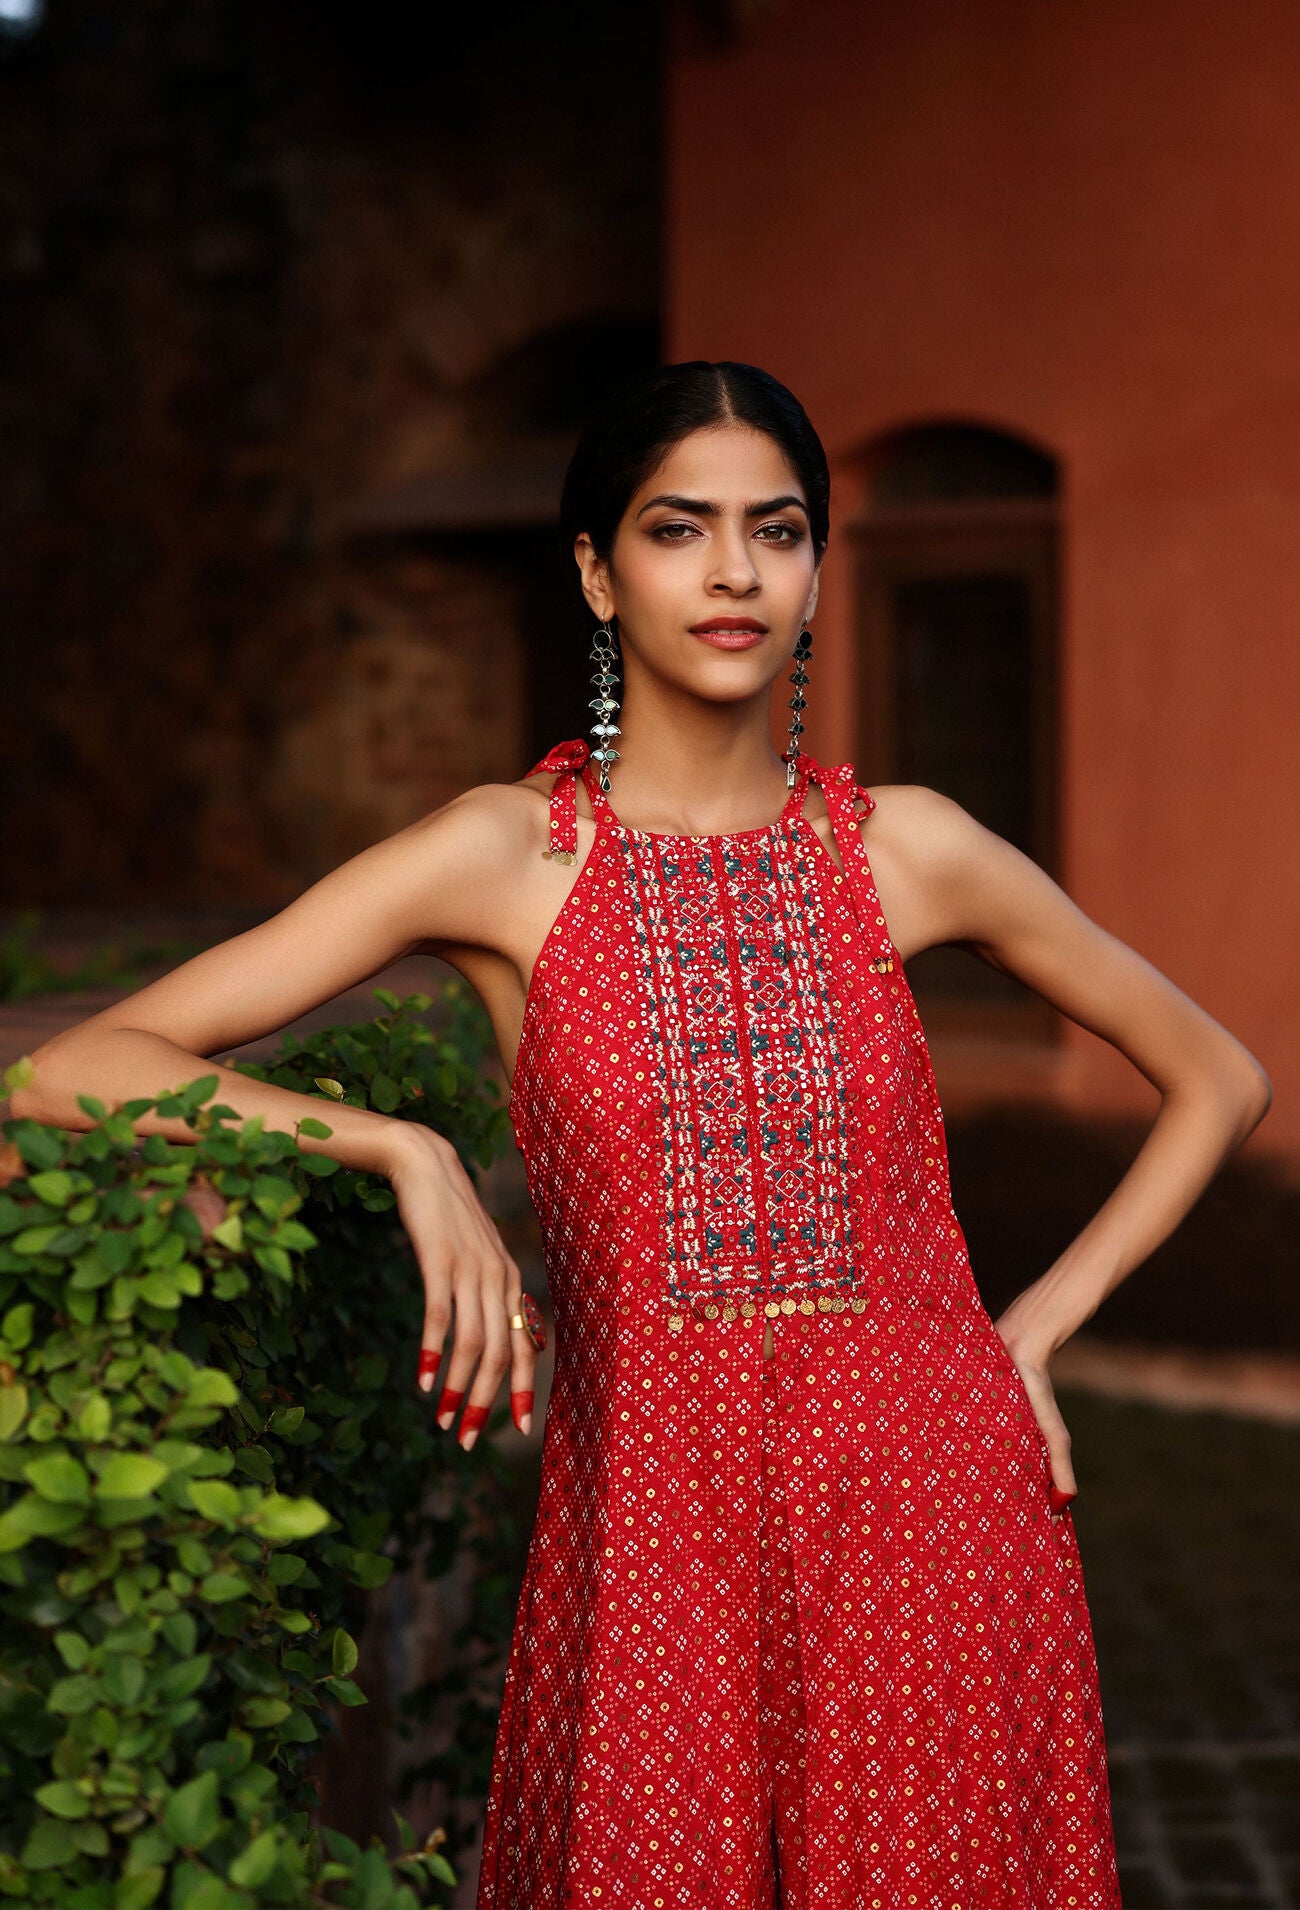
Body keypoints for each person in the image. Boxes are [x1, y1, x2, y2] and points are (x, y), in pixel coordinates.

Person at [14, 361, 1271, 1908]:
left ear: (818, 572)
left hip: (939, 1532)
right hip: (655, 1553)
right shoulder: (504, 856)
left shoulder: (914, 848)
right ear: (600, 572)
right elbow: (74, 1063)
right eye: (682, 529)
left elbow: (1217, 1074)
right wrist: (399, 1151)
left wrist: (1028, 1336)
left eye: (781, 529)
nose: (737, 570)